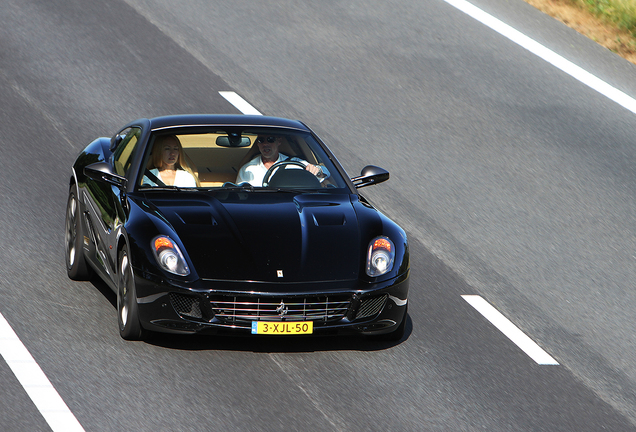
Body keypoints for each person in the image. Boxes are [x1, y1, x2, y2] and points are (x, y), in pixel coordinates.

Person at [236, 135, 329, 186]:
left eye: (270, 139)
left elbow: (326, 172)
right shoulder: (247, 169)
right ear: (257, 144)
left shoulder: (295, 163)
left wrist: (318, 170)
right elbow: (238, 197)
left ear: (279, 142)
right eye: (261, 140)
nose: (265, 144)